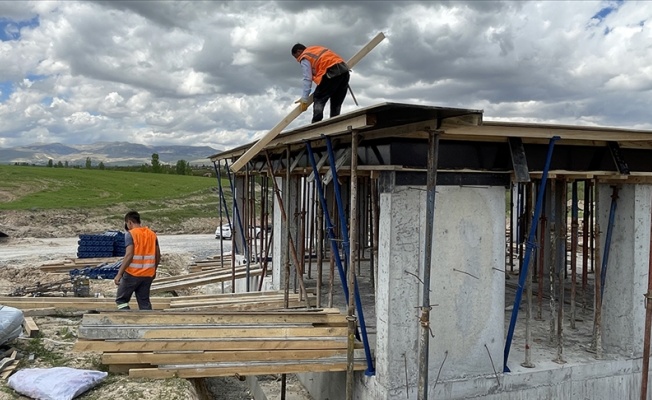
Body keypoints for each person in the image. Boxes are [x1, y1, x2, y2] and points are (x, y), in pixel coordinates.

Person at [291, 43, 350, 123]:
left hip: (331, 72)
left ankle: (316, 122)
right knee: (336, 101)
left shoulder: (305, 56)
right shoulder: (316, 49)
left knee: (319, 97)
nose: (298, 60)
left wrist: (304, 98)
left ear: (299, 51)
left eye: (296, 57)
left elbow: (307, 77)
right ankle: (335, 123)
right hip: (344, 70)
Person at [114, 210, 160, 310]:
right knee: (144, 302)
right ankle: (147, 322)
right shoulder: (152, 234)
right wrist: (153, 270)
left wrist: (119, 273)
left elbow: (129, 255)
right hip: (147, 274)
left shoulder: (130, 234)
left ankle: (128, 320)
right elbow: (158, 255)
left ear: (129, 222)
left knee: (121, 300)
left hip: (132, 274)